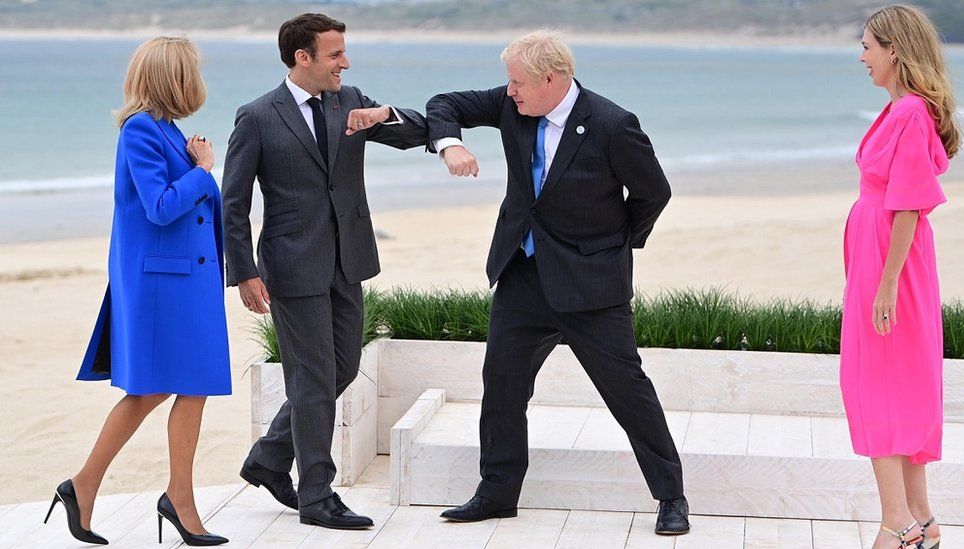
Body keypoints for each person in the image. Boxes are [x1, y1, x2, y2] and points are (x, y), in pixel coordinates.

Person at [427, 30, 689, 536]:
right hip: (523, 279)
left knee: (627, 392)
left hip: (592, 288)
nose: (509, 91)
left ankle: (671, 497)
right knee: (502, 386)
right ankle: (497, 494)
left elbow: (654, 192)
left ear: (551, 79)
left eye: (517, 82)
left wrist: (612, 245)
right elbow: (444, 104)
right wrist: (450, 143)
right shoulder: (513, 106)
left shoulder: (613, 124)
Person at [222, 13, 427, 530]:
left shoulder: (350, 98)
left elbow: (413, 133)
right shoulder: (257, 116)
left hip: (349, 259)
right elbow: (233, 202)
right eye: (335, 54)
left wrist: (382, 114)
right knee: (313, 378)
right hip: (292, 266)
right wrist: (245, 272)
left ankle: (269, 457)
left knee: (338, 370)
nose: (346, 62)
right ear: (303, 58)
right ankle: (316, 494)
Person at [45, 36, 231, 547]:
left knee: (195, 386)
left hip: (190, 284)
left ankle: (174, 498)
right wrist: (202, 171)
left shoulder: (169, 130)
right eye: (191, 70)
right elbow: (161, 206)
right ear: (174, 77)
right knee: (150, 389)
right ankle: (87, 486)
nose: (198, 79)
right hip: (160, 286)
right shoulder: (140, 132)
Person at [842, 5, 961, 549]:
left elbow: (910, 205)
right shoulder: (899, 110)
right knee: (897, 384)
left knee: (875, 387)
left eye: (868, 45)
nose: (862, 56)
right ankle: (920, 516)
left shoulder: (909, 113)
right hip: (883, 256)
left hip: (894, 260)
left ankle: (898, 524)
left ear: (895, 50)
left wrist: (887, 282)